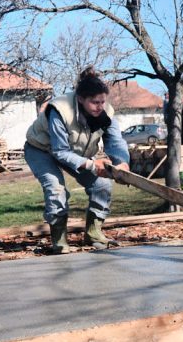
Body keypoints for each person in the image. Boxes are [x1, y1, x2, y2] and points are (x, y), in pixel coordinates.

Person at [25, 67, 130, 254]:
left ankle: (94, 233)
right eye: (94, 102)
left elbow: (115, 141)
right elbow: (60, 151)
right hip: (41, 150)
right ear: (81, 99)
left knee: (102, 184)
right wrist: (91, 164)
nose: (100, 107)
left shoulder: (106, 113)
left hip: (74, 152)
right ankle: (59, 240)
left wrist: (122, 162)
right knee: (56, 189)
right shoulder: (59, 109)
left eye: (102, 102)